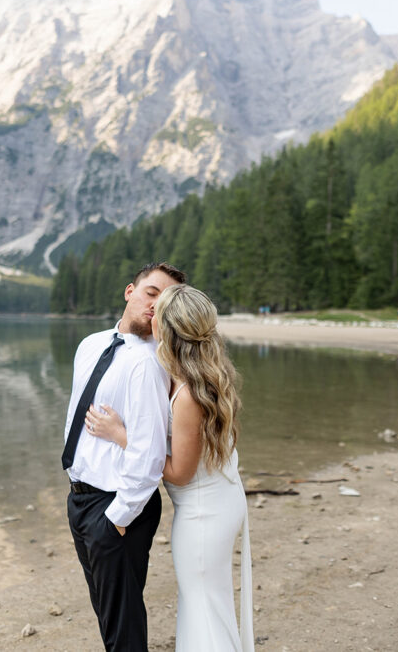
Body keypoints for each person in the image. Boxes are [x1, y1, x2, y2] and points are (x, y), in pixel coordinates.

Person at [86, 284, 255, 652]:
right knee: (209, 603)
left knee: (203, 607)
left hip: (202, 513)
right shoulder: (191, 371)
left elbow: (179, 472)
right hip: (214, 502)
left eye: (157, 312)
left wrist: (123, 436)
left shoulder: (190, 393)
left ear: (167, 328)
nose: (150, 314)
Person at [62, 262, 186, 651]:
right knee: (107, 611)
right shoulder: (90, 344)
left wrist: (117, 518)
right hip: (81, 497)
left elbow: (150, 454)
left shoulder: (151, 364)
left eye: (165, 301)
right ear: (129, 291)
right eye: (151, 293)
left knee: (123, 621)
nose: (155, 306)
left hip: (117, 505)